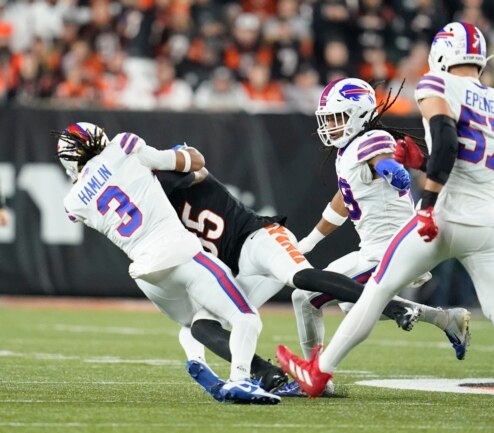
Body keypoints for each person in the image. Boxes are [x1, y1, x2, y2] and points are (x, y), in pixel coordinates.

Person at [276, 22, 494, 420]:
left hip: (444, 214)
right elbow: (462, 157)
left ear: (442, 54)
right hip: (485, 219)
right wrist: (419, 161)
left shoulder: (435, 85)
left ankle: (319, 374)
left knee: (375, 293)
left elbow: (444, 142)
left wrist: (426, 202)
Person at [155, 155, 428, 398]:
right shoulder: (157, 218)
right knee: (201, 324)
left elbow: (197, 162)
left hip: (261, 237)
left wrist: (171, 174)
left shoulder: (168, 177)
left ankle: (395, 307)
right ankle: (266, 374)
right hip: (240, 268)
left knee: (299, 277)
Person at [56, 122, 280, 405]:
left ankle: (197, 360)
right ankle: (240, 380)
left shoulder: (72, 203)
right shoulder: (124, 146)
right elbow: (189, 164)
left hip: (146, 274)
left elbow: (94, 189)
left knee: (193, 322)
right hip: (181, 253)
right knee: (245, 317)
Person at [291, 77, 471, 395]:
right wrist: (310, 240)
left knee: (306, 298)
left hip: (391, 251)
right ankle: (446, 320)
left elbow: (387, 165)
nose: (331, 125)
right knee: (340, 304)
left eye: (337, 117)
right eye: (328, 119)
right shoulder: (348, 150)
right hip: (374, 250)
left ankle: (316, 377)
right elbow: (344, 201)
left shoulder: (371, 140)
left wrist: (394, 171)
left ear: (359, 113)